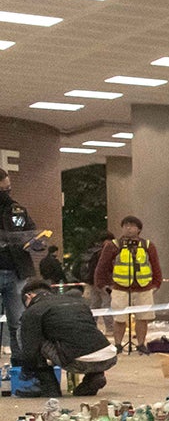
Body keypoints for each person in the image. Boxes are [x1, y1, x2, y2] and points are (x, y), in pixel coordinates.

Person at [15, 278, 117, 398]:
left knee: (25, 333)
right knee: (81, 338)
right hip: (108, 356)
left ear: (29, 296)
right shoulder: (78, 303)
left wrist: (27, 370)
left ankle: (50, 387)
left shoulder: (33, 311)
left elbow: (30, 349)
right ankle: (94, 376)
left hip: (77, 360)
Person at [0, 169, 53, 357]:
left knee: (18, 323)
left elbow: (32, 232)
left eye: (9, 189)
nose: (7, 194)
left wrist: (37, 243)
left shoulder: (18, 210)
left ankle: (21, 367)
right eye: (3, 190)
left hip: (17, 273)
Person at [94, 215, 162, 353]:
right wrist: (104, 286)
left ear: (139, 229)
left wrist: (156, 285)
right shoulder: (113, 245)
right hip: (120, 288)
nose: (128, 228)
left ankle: (141, 344)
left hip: (144, 288)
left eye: (132, 226)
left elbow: (156, 267)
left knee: (143, 318)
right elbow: (101, 267)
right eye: (125, 225)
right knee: (119, 319)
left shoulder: (148, 245)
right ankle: (118, 344)